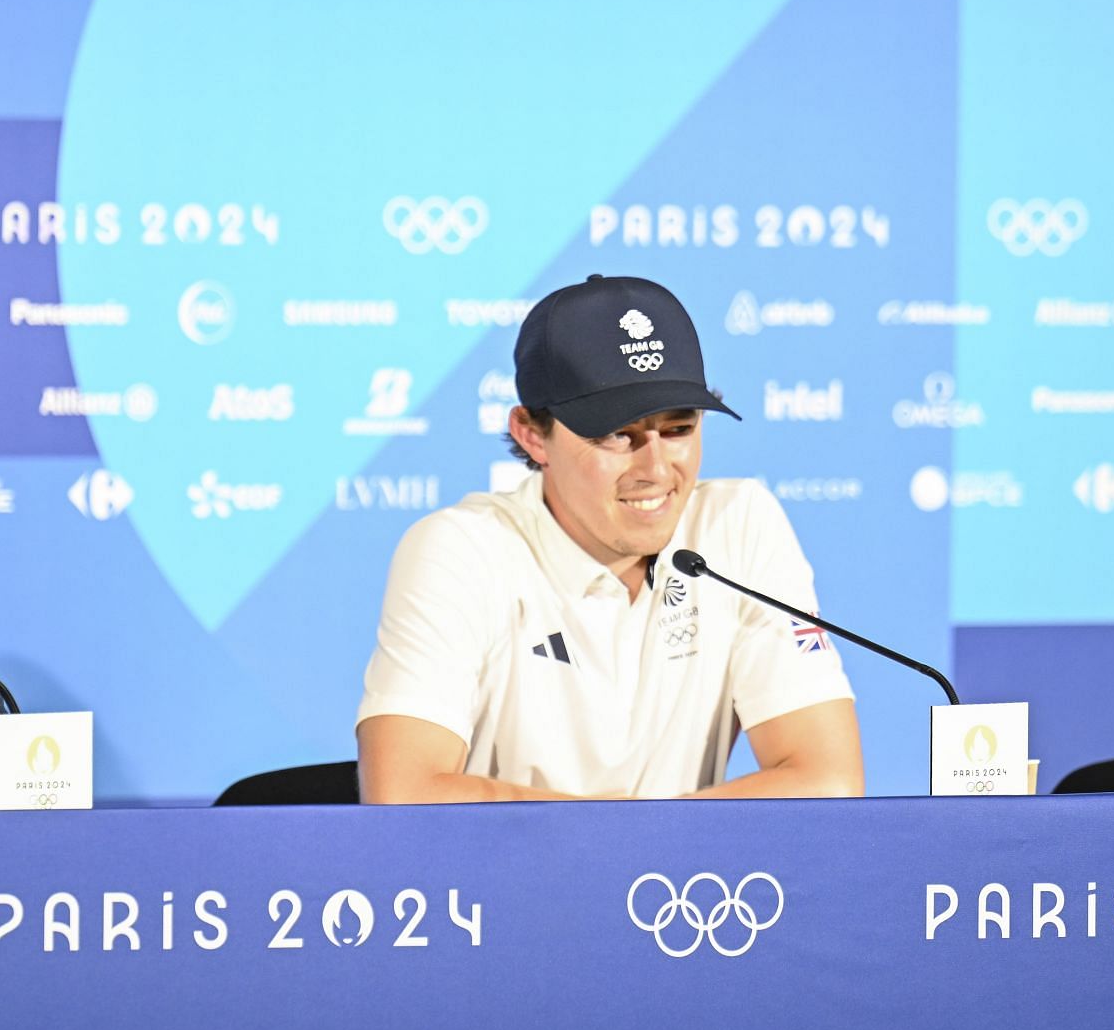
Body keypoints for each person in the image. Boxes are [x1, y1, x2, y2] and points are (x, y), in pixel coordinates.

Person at [356, 274, 862, 802]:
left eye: (678, 430)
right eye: (618, 435)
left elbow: (827, 778)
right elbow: (403, 792)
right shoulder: (461, 549)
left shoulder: (738, 523)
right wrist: (627, 847)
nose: (656, 469)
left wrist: (626, 849)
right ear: (533, 434)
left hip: (677, 885)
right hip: (503, 884)